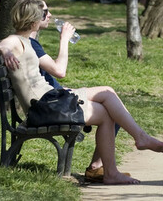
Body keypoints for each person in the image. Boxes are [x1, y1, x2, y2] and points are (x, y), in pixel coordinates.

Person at [0, 0, 163, 185]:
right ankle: (131, 148)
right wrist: (4, 50)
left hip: (50, 101)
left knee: (106, 99)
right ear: (33, 21)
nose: (49, 15)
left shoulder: (25, 41)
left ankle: (119, 161)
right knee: (106, 102)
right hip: (45, 107)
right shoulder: (15, 40)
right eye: (45, 12)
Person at [29, 13, 119, 183]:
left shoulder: (29, 43)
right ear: (32, 16)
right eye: (44, 12)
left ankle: (98, 166)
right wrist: (64, 40)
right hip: (54, 104)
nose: (49, 15)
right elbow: (60, 71)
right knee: (111, 103)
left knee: (112, 101)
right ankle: (137, 140)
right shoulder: (28, 44)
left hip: (57, 96)